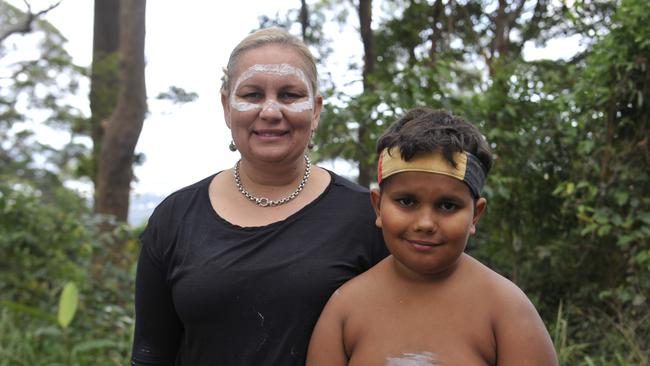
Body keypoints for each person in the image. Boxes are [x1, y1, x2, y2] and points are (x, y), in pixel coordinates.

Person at [130, 27, 388, 365]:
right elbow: (151, 353)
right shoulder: (174, 217)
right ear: (226, 106)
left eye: (289, 95)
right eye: (252, 95)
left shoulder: (365, 218)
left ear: (316, 110)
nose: (269, 111)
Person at [306, 107, 559, 366]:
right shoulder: (345, 310)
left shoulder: (506, 310)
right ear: (378, 206)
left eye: (447, 205)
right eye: (406, 201)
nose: (425, 223)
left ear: (475, 215)